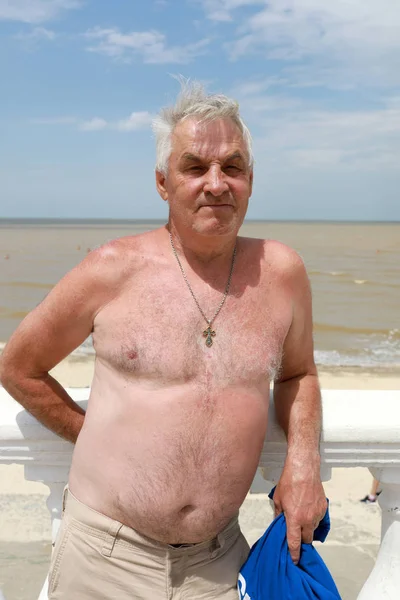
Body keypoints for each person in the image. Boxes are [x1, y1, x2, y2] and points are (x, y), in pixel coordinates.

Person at [0, 81, 327, 600]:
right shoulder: (112, 268)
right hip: (103, 559)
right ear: (162, 182)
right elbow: (18, 365)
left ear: (250, 179)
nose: (216, 184)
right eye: (195, 167)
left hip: (220, 563)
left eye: (232, 167)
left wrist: (303, 462)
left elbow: (298, 373)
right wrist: (93, 434)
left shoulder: (282, 273)